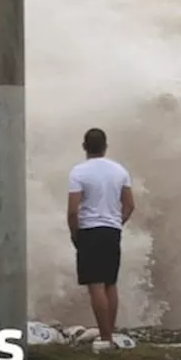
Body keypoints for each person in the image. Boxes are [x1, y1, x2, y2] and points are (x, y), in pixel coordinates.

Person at [67, 127, 135, 347]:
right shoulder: (119, 171)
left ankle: (105, 338)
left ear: (85, 147)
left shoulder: (79, 172)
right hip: (111, 230)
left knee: (95, 285)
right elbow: (130, 205)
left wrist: (74, 233)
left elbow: (73, 210)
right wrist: (117, 223)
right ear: (105, 146)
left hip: (89, 230)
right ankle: (109, 334)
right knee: (110, 283)